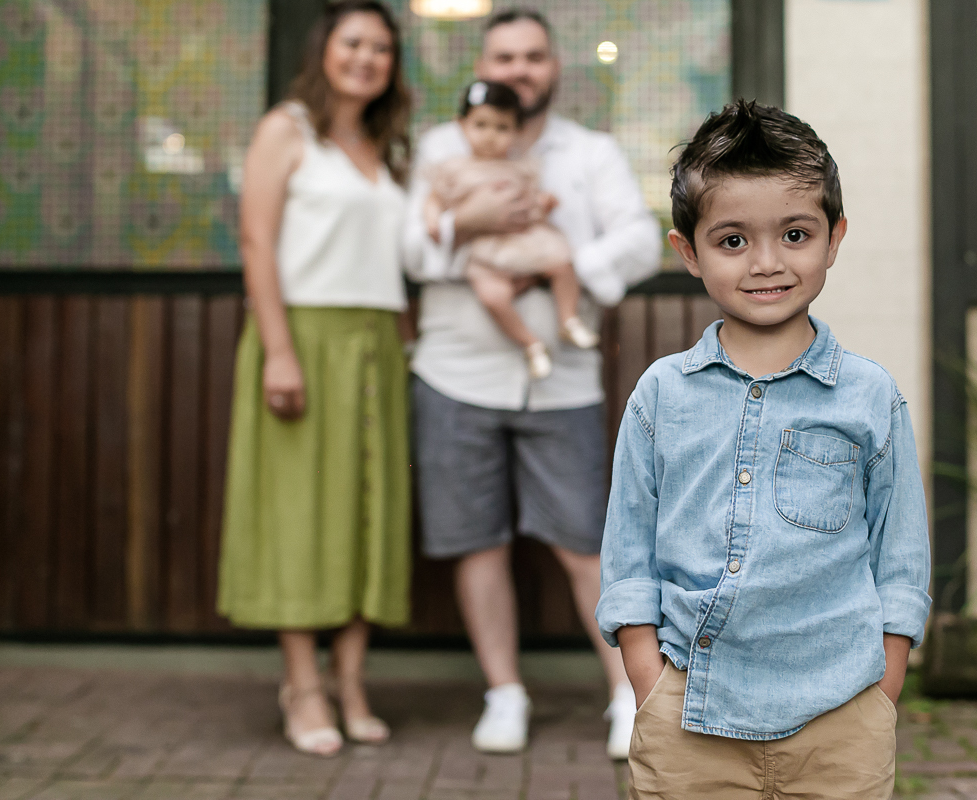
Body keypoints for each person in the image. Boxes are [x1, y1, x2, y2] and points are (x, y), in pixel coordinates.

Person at [596, 101, 932, 798]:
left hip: (841, 719)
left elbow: (899, 560)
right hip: (690, 716)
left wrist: (883, 690)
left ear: (834, 239)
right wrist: (648, 682)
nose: (767, 263)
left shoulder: (869, 396)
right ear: (687, 251)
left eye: (796, 234)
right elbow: (629, 551)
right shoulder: (661, 395)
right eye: (732, 241)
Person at [402, 8, 662, 758]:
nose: (520, 69)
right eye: (505, 57)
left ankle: (625, 697)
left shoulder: (591, 152)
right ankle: (504, 694)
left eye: (533, 57)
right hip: (454, 373)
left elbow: (641, 239)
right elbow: (411, 250)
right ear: (484, 66)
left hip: (564, 382)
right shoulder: (440, 150)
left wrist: (558, 273)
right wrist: (468, 227)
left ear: (553, 69)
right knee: (474, 543)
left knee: (587, 544)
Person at [217, 0, 412, 758]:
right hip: (303, 335)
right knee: (301, 513)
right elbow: (256, 241)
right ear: (324, 50)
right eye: (353, 42)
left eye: (381, 48)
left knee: (367, 514)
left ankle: (351, 683)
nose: (366, 57)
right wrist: (279, 350)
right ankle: (302, 684)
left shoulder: (385, 147)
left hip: (376, 348)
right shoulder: (285, 130)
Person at [424, 80, 599, 380]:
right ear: (461, 126)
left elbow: (532, 199)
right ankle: (530, 343)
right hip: (486, 251)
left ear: (517, 131)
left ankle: (568, 318)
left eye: (502, 128)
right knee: (493, 296)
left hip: (524, 240)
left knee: (561, 262)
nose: (490, 136)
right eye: (481, 125)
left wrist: (544, 204)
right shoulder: (454, 169)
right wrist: (436, 222)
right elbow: (435, 199)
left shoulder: (521, 167)